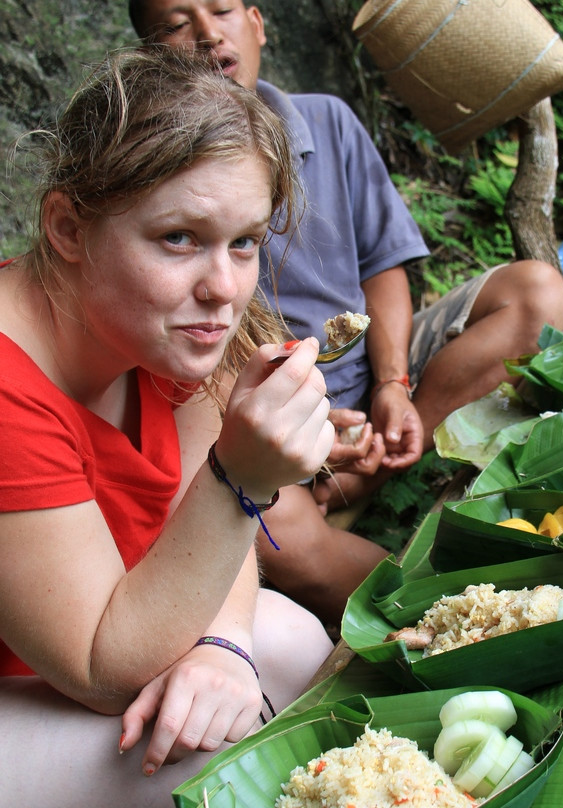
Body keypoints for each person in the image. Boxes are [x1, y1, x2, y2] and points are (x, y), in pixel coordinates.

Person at [129, 0, 563, 625]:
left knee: (538, 297)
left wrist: (393, 383)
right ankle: (438, 609)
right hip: (264, 404)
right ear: (151, 56)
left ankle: (395, 446)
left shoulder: (326, 123)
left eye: (223, 8)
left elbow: (382, 265)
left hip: (372, 365)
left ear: (257, 23)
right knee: (275, 533)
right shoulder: (156, 171)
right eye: (176, 24)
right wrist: (299, 437)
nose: (207, 33)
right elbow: (193, 366)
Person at [0, 47, 336, 806]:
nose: (222, 289)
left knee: (286, 642)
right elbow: (98, 668)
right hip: (62, 671)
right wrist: (242, 476)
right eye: (179, 238)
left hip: (97, 651)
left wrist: (222, 645)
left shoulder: (156, 330)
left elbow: (209, 540)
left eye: (244, 241)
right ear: (67, 228)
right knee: (201, 755)